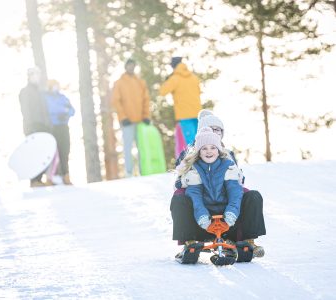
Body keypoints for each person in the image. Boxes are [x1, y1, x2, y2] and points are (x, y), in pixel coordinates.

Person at [171, 127, 266, 263]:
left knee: (254, 196)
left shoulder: (228, 167)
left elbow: (235, 193)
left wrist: (231, 214)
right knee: (179, 199)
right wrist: (202, 217)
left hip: (228, 221)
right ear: (198, 152)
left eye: (212, 147)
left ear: (219, 150)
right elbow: (195, 197)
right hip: (203, 223)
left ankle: (248, 241)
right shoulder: (194, 171)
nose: (209, 151)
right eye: (204, 148)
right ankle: (189, 243)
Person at [111, 58, 151, 177]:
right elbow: (116, 101)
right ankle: (129, 173)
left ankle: (143, 170)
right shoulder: (119, 83)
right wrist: (123, 118)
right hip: (127, 122)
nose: (131, 67)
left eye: (133, 65)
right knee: (127, 147)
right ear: (125, 67)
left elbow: (146, 100)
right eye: (129, 65)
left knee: (142, 148)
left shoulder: (140, 82)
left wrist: (146, 116)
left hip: (140, 122)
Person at [159, 57, 202, 157]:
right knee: (199, 139)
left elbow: (162, 91)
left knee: (191, 141)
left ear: (173, 66)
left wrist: (167, 80)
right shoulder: (193, 77)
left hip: (184, 114)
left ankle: (195, 163)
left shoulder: (175, 79)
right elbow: (199, 91)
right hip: (197, 112)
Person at [19, 67, 51, 187]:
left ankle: (39, 178)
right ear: (29, 76)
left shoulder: (39, 92)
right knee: (34, 153)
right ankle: (33, 180)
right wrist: (29, 126)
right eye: (33, 75)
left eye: (37, 74)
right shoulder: (25, 91)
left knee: (44, 152)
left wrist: (47, 125)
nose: (36, 77)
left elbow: (44, 110)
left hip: (42, 126)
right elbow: (25, 110)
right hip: (32, 127)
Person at [44, 80, 75, 185]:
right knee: (52, 153)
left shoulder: (62, 97)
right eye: (53, 86)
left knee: (65, 152)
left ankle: (66, 175)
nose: (56, 88)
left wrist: (66, 113)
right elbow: (50, 109)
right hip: (52, 128)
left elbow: (72, 110)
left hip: (64, 127)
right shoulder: (46, 98)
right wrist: (62, 110)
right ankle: (50, 178)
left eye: (57, 85)